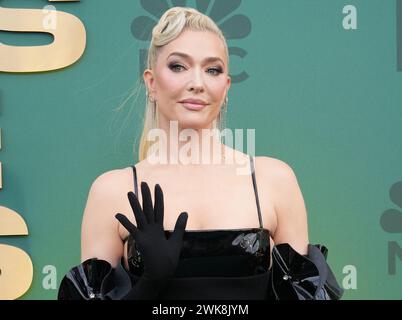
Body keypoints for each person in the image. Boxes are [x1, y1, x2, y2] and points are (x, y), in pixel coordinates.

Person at [58, 7, 343, 300]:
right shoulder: (113, 191)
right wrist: (150, 282)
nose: (197, 83)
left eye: (212, 69)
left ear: (226, 86)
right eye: (179, 66)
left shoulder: (273, 180)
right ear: (151, 82)